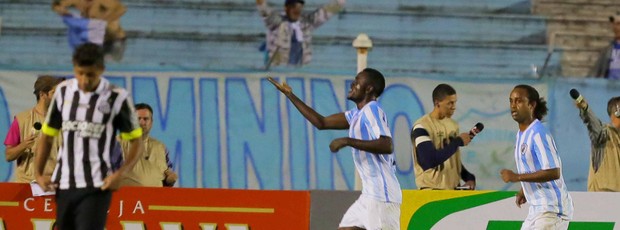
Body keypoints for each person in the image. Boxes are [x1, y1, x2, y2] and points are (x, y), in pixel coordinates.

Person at [268, 68, 401, 230]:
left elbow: (387, 145)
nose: (352, 84)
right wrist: (290, 95)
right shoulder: (356, 115)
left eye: (357, 81)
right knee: (346, 227)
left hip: (382, 196)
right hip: (369, 195)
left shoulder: (372, 109)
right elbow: (321, 122)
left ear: (369, 88)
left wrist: (347, 140)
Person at [34, 43, 143, 230]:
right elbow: (47, 136)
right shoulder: (63, 92)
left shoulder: (117, 97)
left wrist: (120, 174)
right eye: (79, 73)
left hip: (97, 185)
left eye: (90, 74)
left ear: (101, 70)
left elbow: (136, 142)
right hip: (64, 183)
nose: (84, 80)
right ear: (74, 67)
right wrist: (38, 173)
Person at [500, 85, 573, 229]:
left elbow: (553, 171)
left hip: (551, 209)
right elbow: (533, 166)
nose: (513, 106)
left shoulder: (538, 133)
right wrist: (525, 189)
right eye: (511, 101)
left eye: (519, 101)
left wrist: (517, 177)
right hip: (537, 209)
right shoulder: (521, 134)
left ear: (532, 105)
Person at [410, 84, 476, 190]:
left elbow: (451, 160)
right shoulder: (421, 126)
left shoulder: (453, 125)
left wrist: (468, 177)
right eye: (450, 103)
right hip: (431, 191)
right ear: (437, 103)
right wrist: (457, 141)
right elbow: (429, 161)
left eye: (455, 102)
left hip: (452, 191)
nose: (454, 106)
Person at [3, 76, 64, 183]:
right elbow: (8, 155)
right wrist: (23, 145)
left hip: (54, 184)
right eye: (54, 92)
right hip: (26, 184)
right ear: (42, 94)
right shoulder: (21, 120)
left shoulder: (64, 121)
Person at [256, 0, 346, 67]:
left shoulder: (305, 23)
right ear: (286, 8)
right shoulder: (277, 22)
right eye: (293, 7)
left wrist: (340, 3)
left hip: (300, 71)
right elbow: (265, 11)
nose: (296, 10)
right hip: (278, 70)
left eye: (299, 7)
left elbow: (326, 12)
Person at [114, 103, 177, 187]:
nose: (141, 122)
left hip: (156, 198)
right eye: (138, 118)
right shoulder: (118, 143)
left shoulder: (161, 147)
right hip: (128, 198)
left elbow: (167, 174)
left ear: (151, 122)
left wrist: (171, 178)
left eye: (146, 119)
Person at [52, 0, 127, 61]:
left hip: (114, 40)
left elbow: (121, 10)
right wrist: (62, 11)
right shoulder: (78, 1)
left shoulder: (104, 2)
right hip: (96, 42)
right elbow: (57, 4)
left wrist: (104, 21)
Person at [574, 95, 620, 191]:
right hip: (601, 197)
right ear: (617, 112)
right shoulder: (604, 133)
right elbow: (592, 123)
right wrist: (585, 108)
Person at [590, 13, 620, 79]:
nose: (616, 27)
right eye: (614, 24)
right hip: (610, 86)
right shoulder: (607, 50)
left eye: (618, 24)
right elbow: (595, 72)